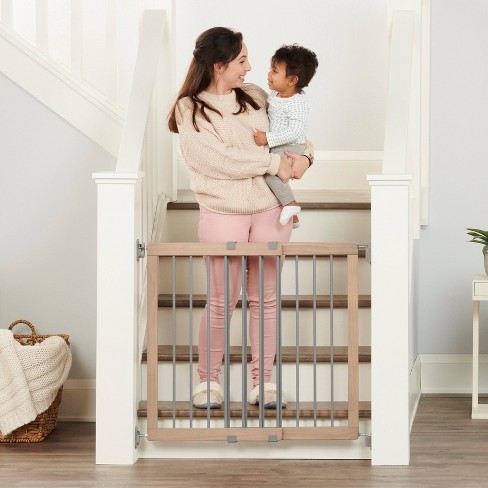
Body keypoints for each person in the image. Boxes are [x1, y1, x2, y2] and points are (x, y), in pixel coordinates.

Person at [167, 27, 313, 410]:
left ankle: (261, 383)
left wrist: (305, 158)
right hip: (223, 211)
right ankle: (208, 381)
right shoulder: (190, 108)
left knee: (265, 301)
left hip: (270, 209)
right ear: (220, 65)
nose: (250, 68)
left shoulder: (255, 97)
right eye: (242, 60)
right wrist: (272, 162)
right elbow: (215, 161)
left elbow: (294, 131)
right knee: (221, 301)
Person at [254, 44, 318, 229]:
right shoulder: (276, 95)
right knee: (272, 174)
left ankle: (291, 205)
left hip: (290, 146)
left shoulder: (297, 102)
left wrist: (268, 138)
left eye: (274, 71)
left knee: (271, 174)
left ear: (292, 80)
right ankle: (294, 217)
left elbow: (296, 131)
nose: (268, 74)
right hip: (281, 146)